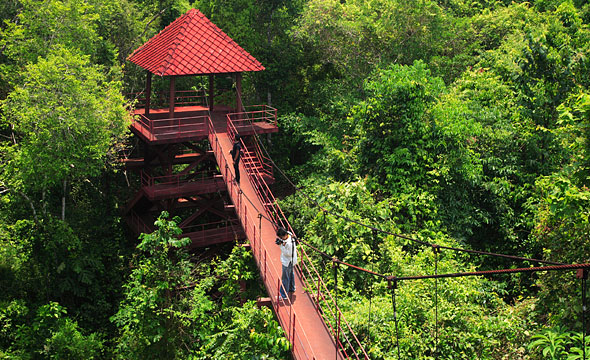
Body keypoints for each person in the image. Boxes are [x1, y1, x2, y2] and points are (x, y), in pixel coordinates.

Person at [276, 227, 297, 301]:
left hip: (287, 261)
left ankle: (283, 295)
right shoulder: (290, 234)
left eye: (282, 237)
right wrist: (282, 242)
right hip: (292, 260)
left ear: (285, 235)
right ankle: (292, 288)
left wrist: (281, 245)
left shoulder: (289, 243)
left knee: (285, 278)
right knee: (291, 274)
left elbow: (288, 253)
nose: (282, 238)